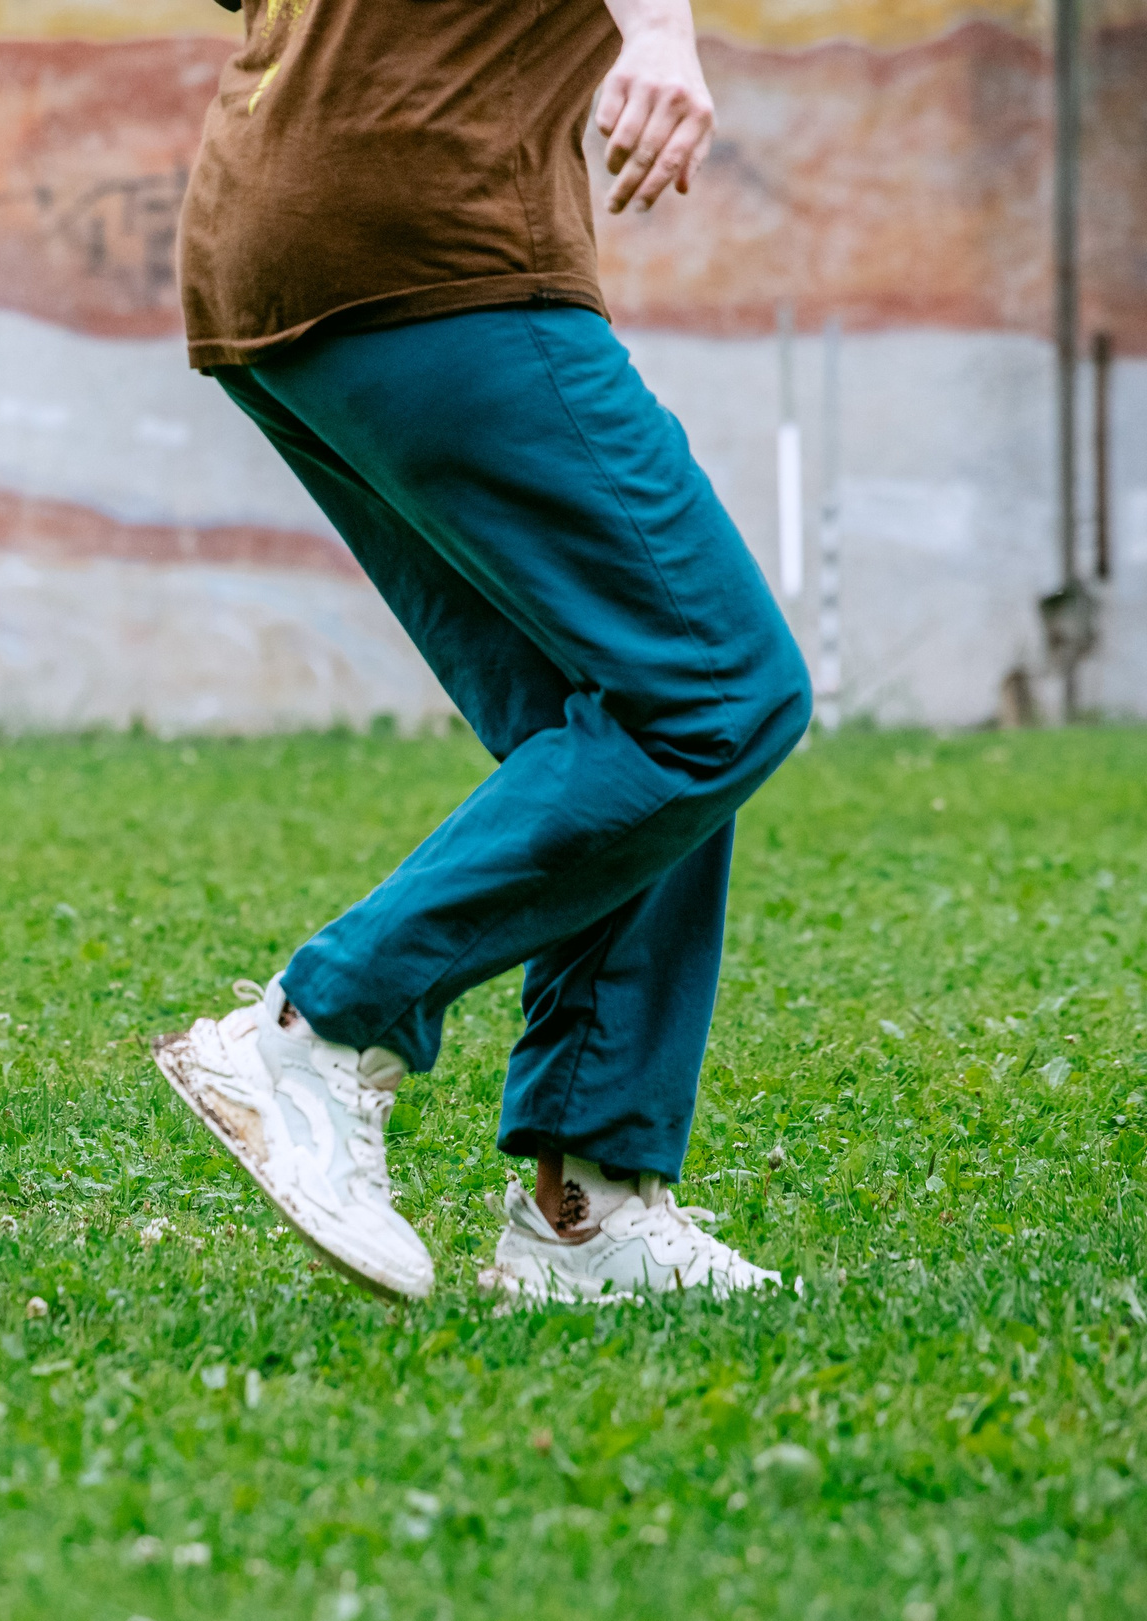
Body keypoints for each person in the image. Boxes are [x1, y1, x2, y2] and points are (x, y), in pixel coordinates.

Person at [153, 0, 811, 1303]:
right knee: (716, 689)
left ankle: (589, 1203)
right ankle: (317, 1025)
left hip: (286, 245)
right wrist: (663, 33)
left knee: (625, 695)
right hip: (430, 239)